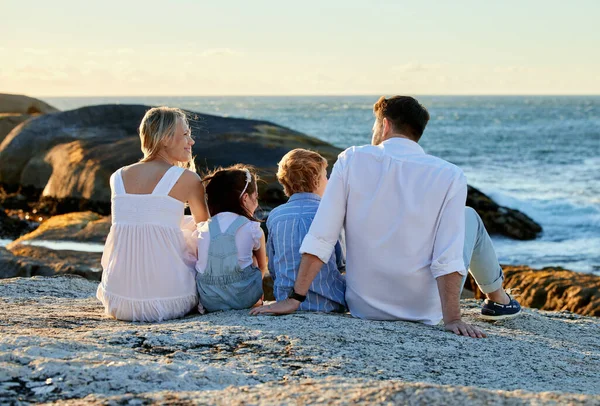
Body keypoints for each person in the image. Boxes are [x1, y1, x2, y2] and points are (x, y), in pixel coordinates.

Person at [251, 96, 521, 338]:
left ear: (385, 125)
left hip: (365, 306)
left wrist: (294, 298)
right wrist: (452, 318)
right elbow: (447, 255)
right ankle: (498, 299)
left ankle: (498, 298)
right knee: (468, 216)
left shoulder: (352, 159)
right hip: (423, 310)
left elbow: (323, 235)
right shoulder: (449, 175)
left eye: (374, 126)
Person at [97, 106, 209, 322]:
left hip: (118, 300)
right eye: (185, 134)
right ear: (166, 139)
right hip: (170, 300)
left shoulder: (117, 177)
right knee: (196, 228)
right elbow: (207, 232)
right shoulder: (187, 178)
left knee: (181, 224)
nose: (191, 141)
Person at [267, 148, 346, 312]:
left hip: (285, 299)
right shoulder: (329, 213)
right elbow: (340, 262)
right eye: (326, 175)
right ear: (317, 181)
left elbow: (274, 266)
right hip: (328, 302)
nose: (328, 180)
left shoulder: (275, 216)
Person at [195, 165, 266, 312]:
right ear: (245, 198)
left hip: (210, 300)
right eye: (256, 197)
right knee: (252, 258)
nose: (257, 203)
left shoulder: (203, 227)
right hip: (242, 297)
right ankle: (256, 301)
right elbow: (262, 268)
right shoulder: (252, 227)